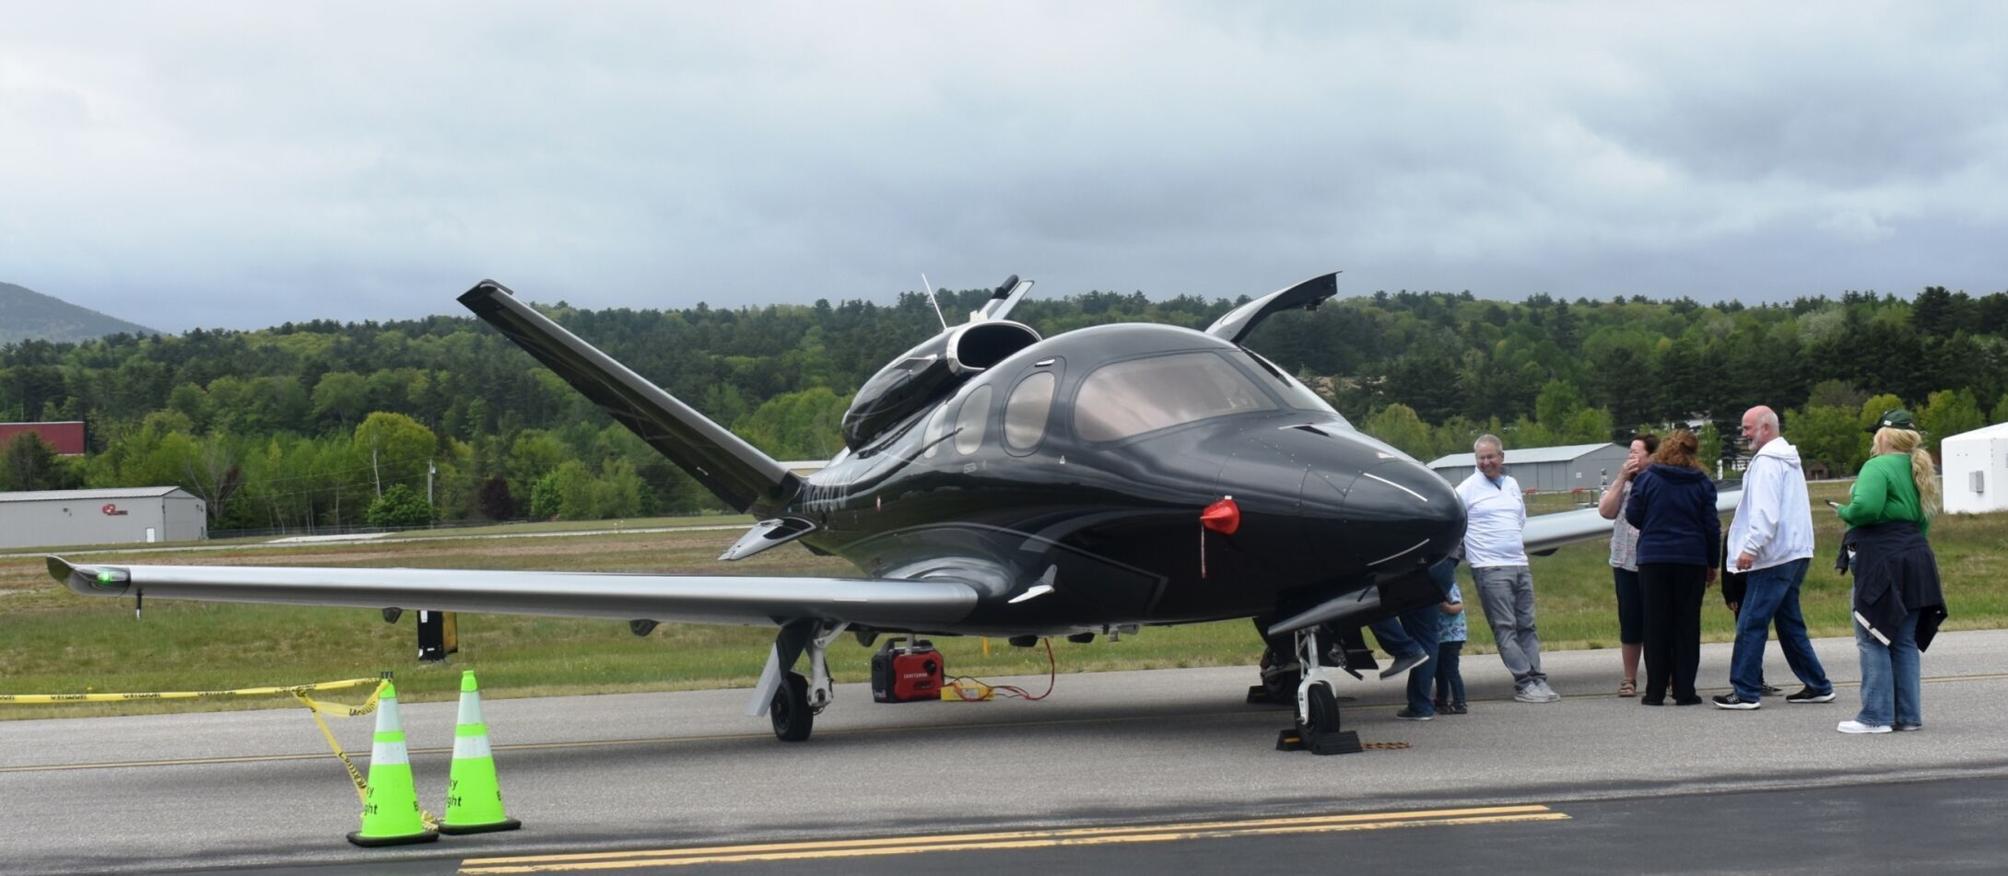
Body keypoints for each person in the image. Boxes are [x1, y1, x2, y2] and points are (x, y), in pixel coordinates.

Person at [1833, 410, 1947, 734]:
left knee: (1872, 637)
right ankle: (1907, 716)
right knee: (1904, 641)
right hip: (1917, 559)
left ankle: (1875, 717)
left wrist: (1843, 510)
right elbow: (1924, 521)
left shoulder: (1877, 466)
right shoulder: (1919, 469)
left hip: (1881, 560)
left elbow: (1866, 509)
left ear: (1883, 436)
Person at [1714, 406, 1834, 710]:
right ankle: (1817, 684)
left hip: (1774, 557)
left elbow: (1765, 513)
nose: (1744, 435)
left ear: (1766, 428)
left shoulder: (1767, 463)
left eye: (1747, 428)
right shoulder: (1788, 460)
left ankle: (1745, 691)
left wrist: (1750, 548)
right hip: (1795, 552)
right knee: (1789, 622)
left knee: (1751, 621)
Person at [1457, 434, 1557, 703]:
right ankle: (1523, 681)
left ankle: (1537, 676)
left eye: (1491, 457)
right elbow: (1456, 525)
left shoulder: (1511, 484)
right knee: (1505, 626)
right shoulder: (1466, 489)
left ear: (1502, 457)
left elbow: (1519, 520)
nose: (1487, 462)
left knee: (1528, 624)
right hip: (1489, 567)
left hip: (1519, 563)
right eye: (1481, 458)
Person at [1624, 430, 1719, 706]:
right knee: (1687, 624)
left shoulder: (1648, 478)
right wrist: (1712, 562)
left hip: (1653, 558)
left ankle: (1655, 691)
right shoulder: (1701, 482)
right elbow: (1711, 526)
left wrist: (1654, 526)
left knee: (1655, 624)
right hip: (1691, 558)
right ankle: (1684, 690)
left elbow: (1633, 514)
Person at [1597, 433, 1657, 697]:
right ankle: (1629, 678)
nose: (1631, 457)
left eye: (1636, 453)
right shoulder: (1623, 483)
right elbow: (1606, 511)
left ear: (1651, 456)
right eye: (1629, 453)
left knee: (1656, 620)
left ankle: (1660, 674)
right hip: (1624, 561)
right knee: (1630, 620)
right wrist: (1621, 478)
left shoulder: (1658, 481)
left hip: (1653, 560)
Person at [1432, 560, 1469, 715]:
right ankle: (1441, 699)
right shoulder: (1433, 587)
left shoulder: (1448, 585)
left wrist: (1445, 607)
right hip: (1441, 636)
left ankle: (1460, 702)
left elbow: (1458, 606)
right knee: (1438, 670)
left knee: (1450, 670)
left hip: (1452, 635)